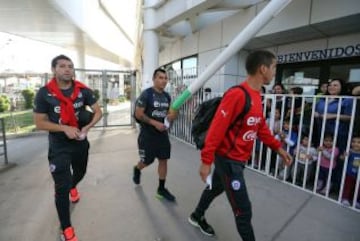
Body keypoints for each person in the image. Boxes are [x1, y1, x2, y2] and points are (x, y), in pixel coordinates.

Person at [188, 50, 292, 240]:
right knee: (243, 211)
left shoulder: (257, 95)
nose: (275, 72)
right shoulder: (237, 95)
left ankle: (196, 215)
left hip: (236, 160)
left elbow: (259, 127)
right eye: (274, 67)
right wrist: (206, 161)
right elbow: (216, 131)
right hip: (228, 161)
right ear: (263, 69)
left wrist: (278, 148)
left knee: (216, 187)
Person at [33, 55, 102, 241]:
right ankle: (66, 228)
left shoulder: (82, 90)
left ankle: (73, 186)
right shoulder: (44, 93)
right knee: (61, 188)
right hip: (59, 146)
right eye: (62, 66)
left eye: (70, 66)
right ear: (54, 70)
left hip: (80, 142)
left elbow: (98, 111)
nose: (67, 69)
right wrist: (64, 128)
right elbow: (39, 123)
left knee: (80, 173)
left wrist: (87, 127)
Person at [132, 68, 177, 201]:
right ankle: (137, 168)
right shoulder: (146, 95)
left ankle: (161, 189)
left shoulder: (167, 96)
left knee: (163, 160)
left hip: (162, 135)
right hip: (147, 135)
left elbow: (172, 113)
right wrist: (155, 123)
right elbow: (138, 114)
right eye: (160, 78)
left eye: (165, 78)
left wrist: (172, 116)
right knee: (147, 161)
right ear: (154, 79)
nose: (163, 81)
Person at [340, 135, 360, 208]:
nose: (355, 144)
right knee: (348, 186)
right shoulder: (350, 151)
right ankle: (345, 198)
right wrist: (344, 155)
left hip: (358, 175)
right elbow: (341, 158)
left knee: (358, 188)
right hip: (349, 173)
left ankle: (356, 201)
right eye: (353, 142)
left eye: (358, 142)